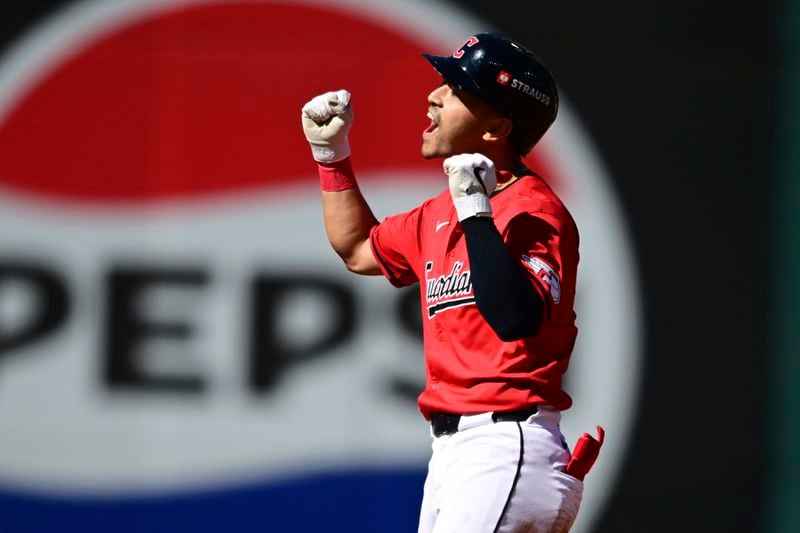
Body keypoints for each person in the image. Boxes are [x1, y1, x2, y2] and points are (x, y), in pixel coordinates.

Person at [301, 32, 588, 533]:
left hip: (506, 444)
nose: (434, 96)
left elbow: (516, 318)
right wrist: (331, 156)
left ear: (497, 127)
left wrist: (477, 213)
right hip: (455, 455)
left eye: (457, 90)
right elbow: (358, 249)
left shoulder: (533, 210)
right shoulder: (439, 213)